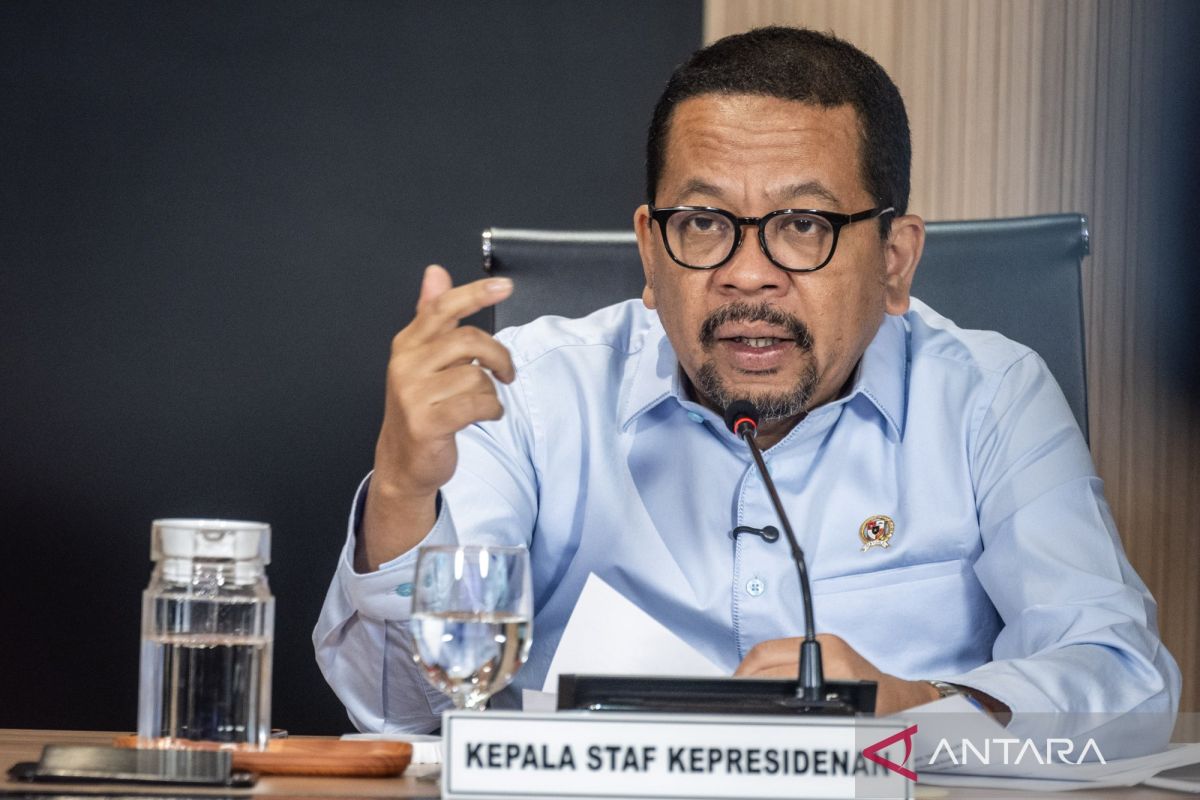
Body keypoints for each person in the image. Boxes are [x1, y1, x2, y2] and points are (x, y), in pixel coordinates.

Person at [314, 27, 1179, 748]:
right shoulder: (529, 390)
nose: (748, 275)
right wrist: (401, 491)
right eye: (704, 223)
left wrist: (912, 706)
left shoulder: (989, 397)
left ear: (895, 260)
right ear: (651, 253)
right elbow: (401, 716)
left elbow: (1121, 681)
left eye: (803, 225)